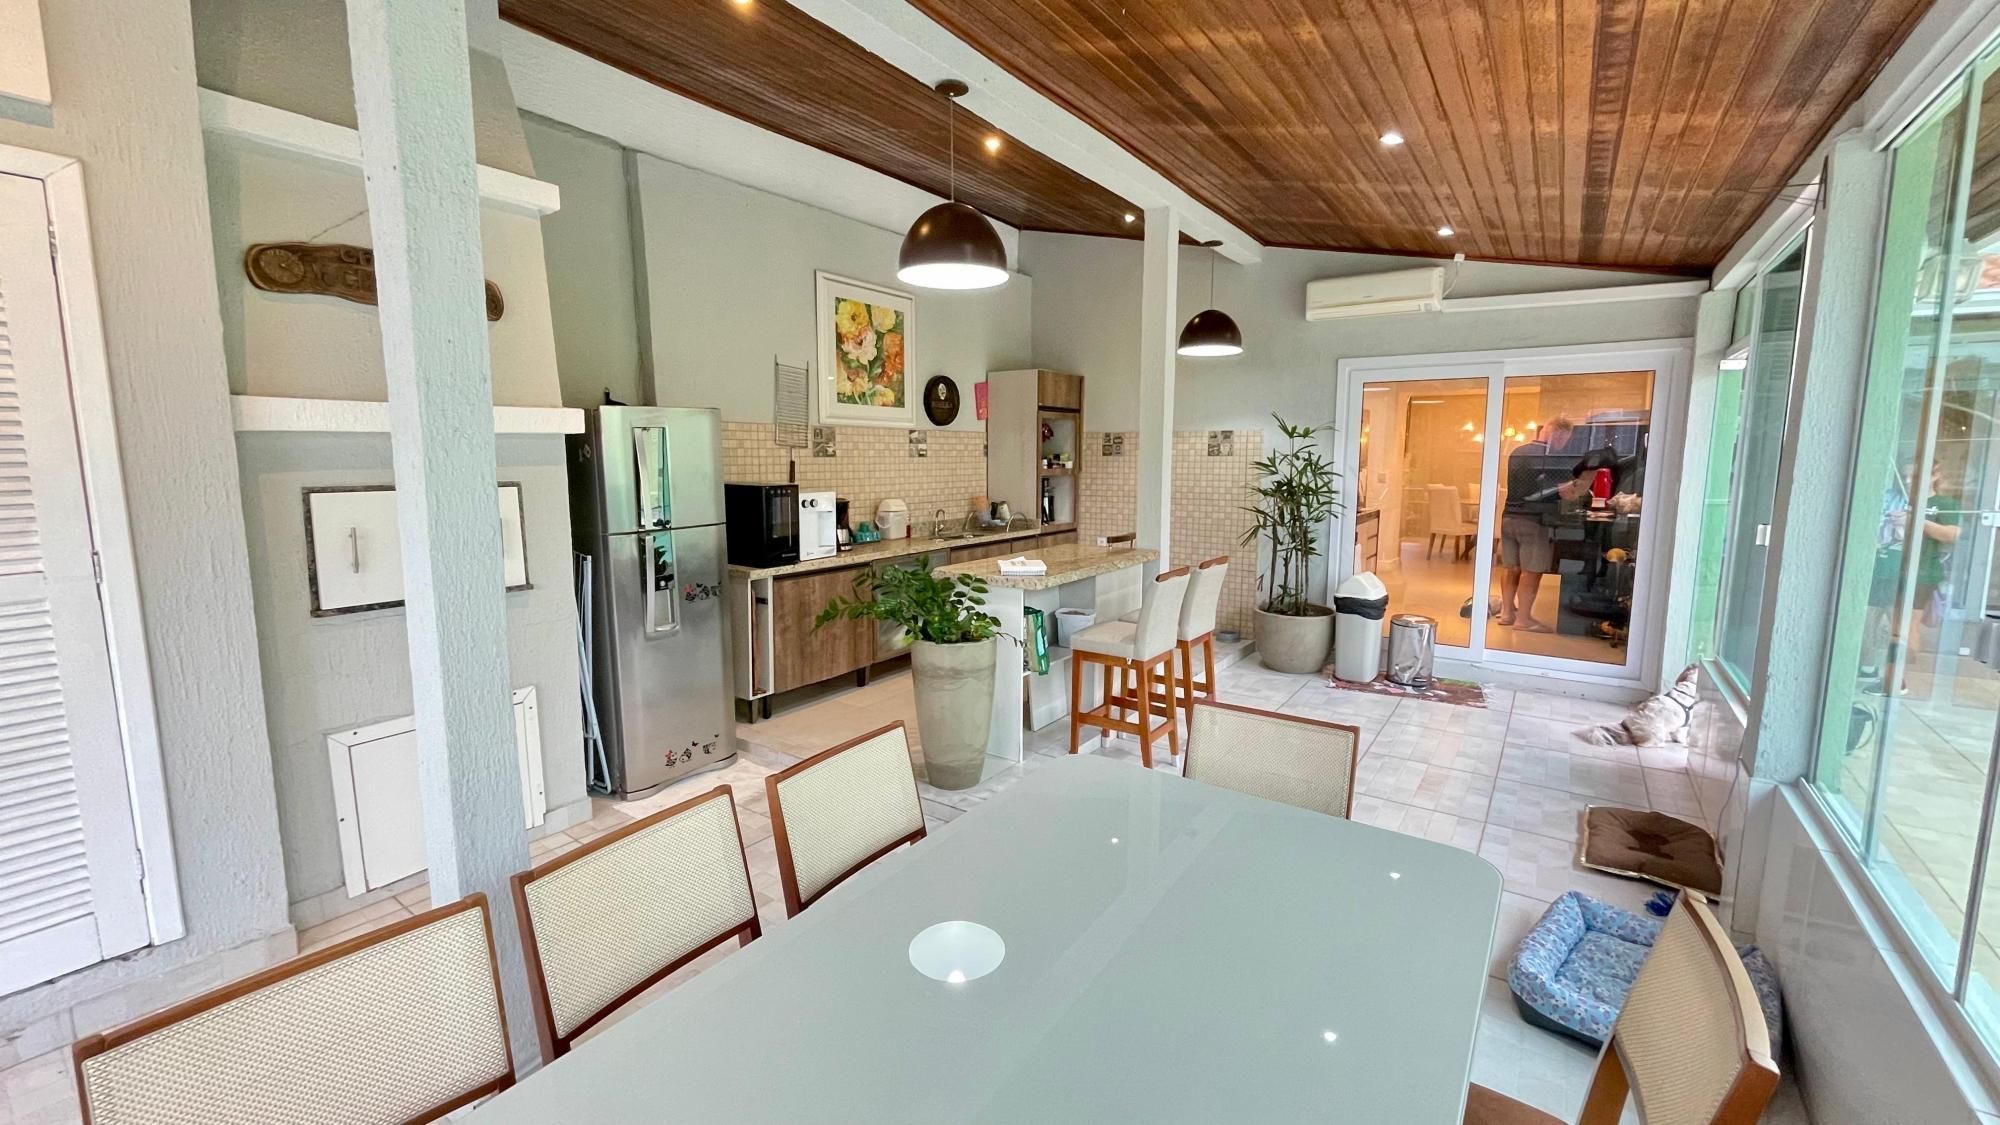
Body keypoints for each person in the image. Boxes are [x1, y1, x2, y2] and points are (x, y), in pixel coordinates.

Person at [1498, 417, 1577, 632]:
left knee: (1511, 567)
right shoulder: (1551, 458)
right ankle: (1524, 619)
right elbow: (1566, 492)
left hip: (1508, 517)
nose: (1564, 444)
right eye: (1565, 439)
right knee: (1532, 570)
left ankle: (1507, 613)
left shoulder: (1517, 452)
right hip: (1533, 520)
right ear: (1557, 434)